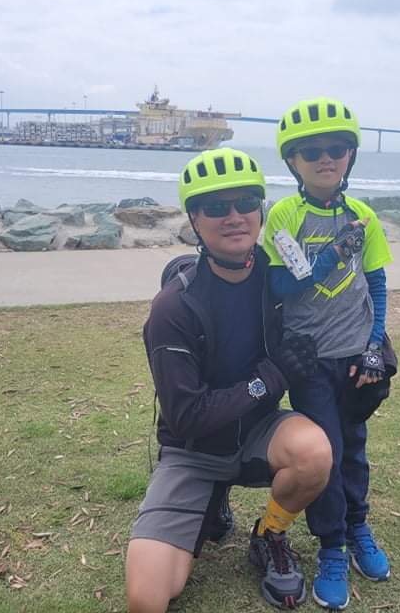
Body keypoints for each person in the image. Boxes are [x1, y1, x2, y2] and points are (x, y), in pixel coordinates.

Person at [126, 147, 333, 612]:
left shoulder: (276, 274)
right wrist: (271, 377)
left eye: (246, 203)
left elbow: (334, 308)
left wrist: (377, 350)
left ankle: (269, 534)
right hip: (192, 451)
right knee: (148, 598)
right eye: (217, 207)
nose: (235, 216)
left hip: (259, 432)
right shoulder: (173, 308)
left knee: (315, 451)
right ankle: (210, 501)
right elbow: (187, 418)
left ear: (262, 211)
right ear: (195, 220)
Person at [263, 97, 398, 610]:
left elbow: (377, 284)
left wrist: (372, 346)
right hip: (310, 360)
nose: (326, 158)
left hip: (354, 356)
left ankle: (359, 527)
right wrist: (325, 261)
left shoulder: (364, 216)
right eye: (311, 151)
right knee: (331, 452)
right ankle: (333, 548)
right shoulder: (284, 214)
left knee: (355, 446)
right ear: (293, 162)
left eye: (337, 148)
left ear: (350, 156)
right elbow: (279, 283)